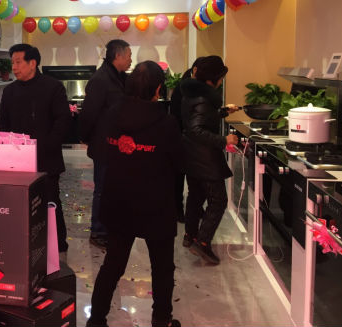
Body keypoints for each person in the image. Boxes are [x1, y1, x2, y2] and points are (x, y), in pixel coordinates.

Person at [86, 61, 183, 327]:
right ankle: (161, 320)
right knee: (162, 267)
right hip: (156, 204)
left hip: (118, 200)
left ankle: (96, 320)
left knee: (113, 264)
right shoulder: (166, 122)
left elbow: (102, 152)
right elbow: (179, 163)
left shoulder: (111, 115)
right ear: (159, 89)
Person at [0, 44, 72, 252]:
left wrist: (47, 145)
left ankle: (58, 244)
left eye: (18, 62)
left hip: (46, 159)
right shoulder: (10, 91)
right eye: (12, 62)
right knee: (20, 204)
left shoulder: (53, 87)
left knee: (50, 202)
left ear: (33, 63)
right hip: (16, 160)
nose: (14, 67)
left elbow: (63, 121)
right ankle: (24, 244)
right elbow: (2, 122)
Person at [180, 55, 239, 265]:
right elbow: (196, 129)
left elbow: (200, 118)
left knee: (196, 196)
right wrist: (224, 140)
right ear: (211, 78)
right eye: (220, 77)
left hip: (191, 155)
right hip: (204, 157)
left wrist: (222, 112)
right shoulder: (204, 98)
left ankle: (190, 235)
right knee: (218, 201)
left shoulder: (191, 92)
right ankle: (202, 242)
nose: (221, 81)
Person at [79, 39, 132, 249]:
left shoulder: (118, 77)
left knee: (113, 188)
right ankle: (98, 231)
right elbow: (88, 113)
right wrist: (84, 137)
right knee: (102, 189)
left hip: (117, 145)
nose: (130, 60)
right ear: (117, 56)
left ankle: (110, 226)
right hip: (104, 145)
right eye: (128, 55)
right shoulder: (101, 80)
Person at [169, 57, 203, 223]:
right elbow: (178, 115)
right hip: (181, 137)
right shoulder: (184, 87)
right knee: (179, 176)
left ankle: (194, 209)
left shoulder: (195, 85)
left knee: (194, 176)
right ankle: (178, 210)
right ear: (195, 70)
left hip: (191, 137)